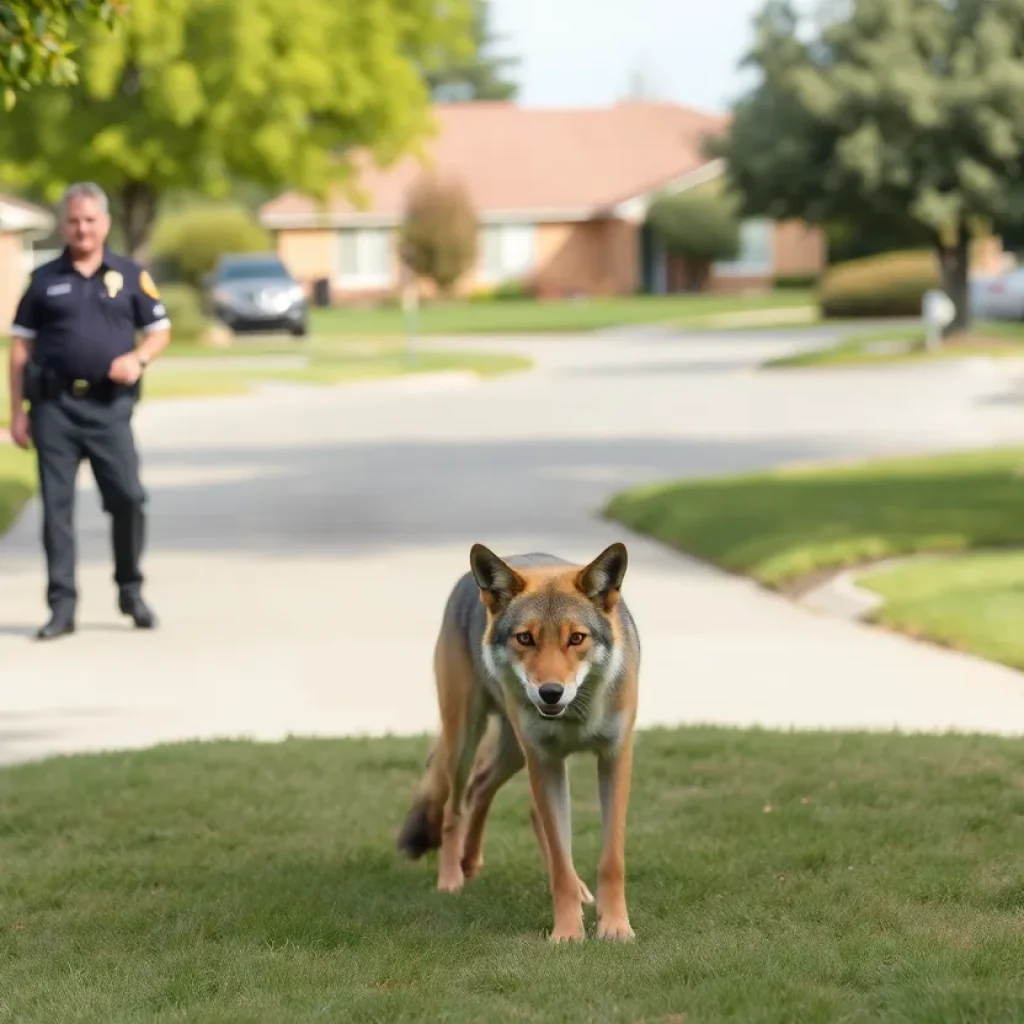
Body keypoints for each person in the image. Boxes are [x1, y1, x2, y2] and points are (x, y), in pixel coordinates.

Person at [6, 182, 172, 640]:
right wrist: (17, 413)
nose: (82, 228)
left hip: (109, 409)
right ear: (65, 224)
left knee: (129, 500)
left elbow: (159, 331)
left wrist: (137, 359)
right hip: (54, 407)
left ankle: (130, 588)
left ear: (105, 223)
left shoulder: (130, 275)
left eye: (90, 220)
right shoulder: (42, 281)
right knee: (56, 511)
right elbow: (20, 348)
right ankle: (62, 607)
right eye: (74, 220)